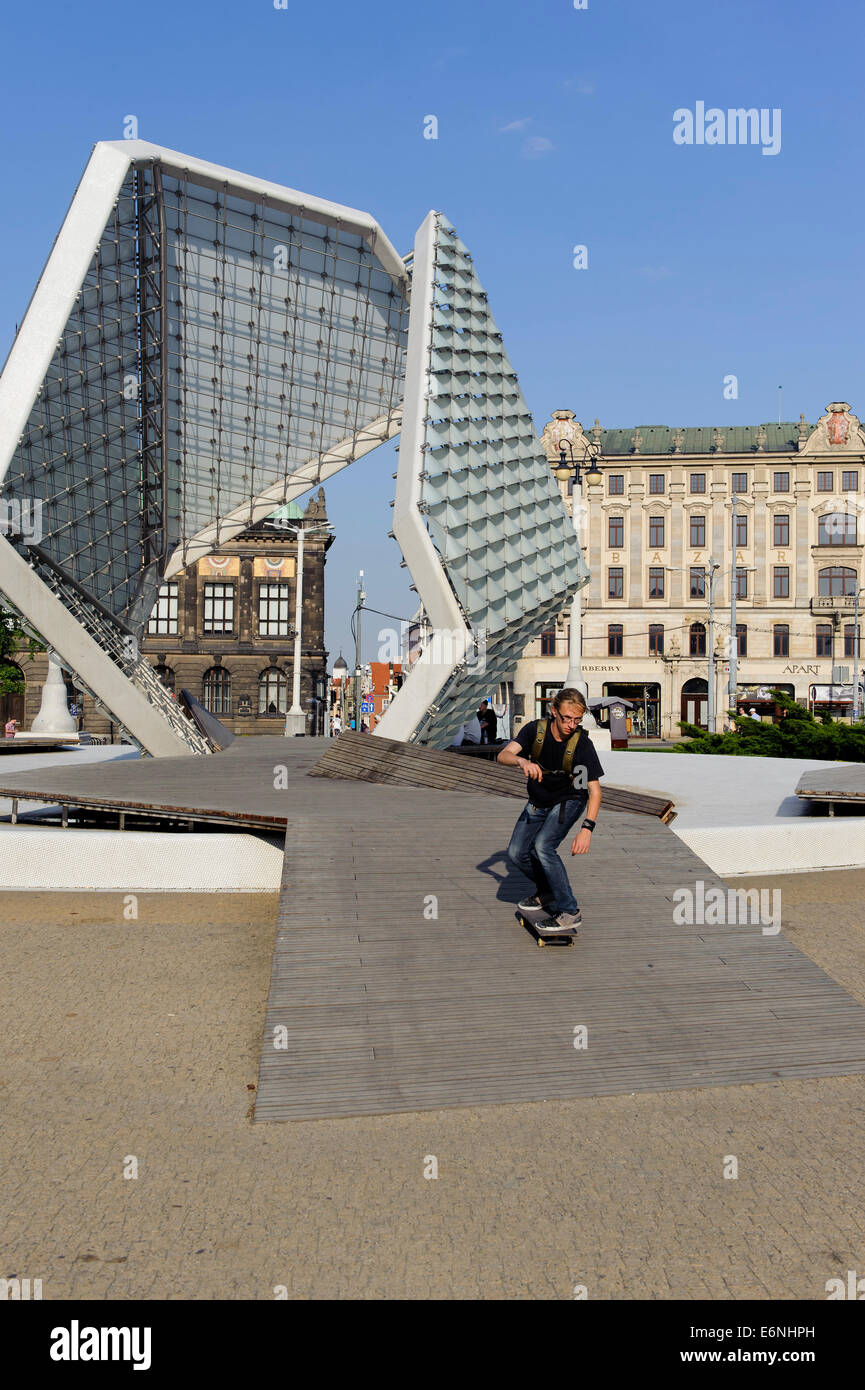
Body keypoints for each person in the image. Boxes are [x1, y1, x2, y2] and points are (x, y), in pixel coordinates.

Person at [497, 688, 603, 933]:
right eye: (566, 718)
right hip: (538, 800)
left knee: (543, 846)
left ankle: (569, 910)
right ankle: (546, 892)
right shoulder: (535, 730)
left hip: (570, 799)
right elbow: (503, 755)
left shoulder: (582, 744)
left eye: (577, 719)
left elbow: (595, 791)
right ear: (554, 711)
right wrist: (522, 761)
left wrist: (587, 829)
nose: (571, 725)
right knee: (515, 853)